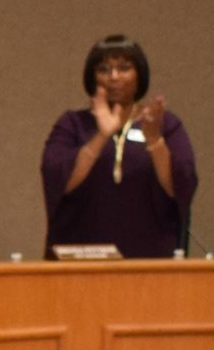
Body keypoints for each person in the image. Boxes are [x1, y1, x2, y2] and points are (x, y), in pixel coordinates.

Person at [40, 33, 197, 258]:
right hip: (81, 256)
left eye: (124, 68)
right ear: (92, 77)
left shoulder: (165, 124)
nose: (113, 77)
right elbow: (58, 178)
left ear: (139, 75)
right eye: (103, 69)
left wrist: (154, 140)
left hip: (150, 256)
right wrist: (102, 136)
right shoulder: (73, 124)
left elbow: (180, 184)